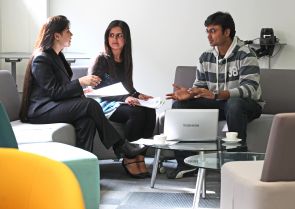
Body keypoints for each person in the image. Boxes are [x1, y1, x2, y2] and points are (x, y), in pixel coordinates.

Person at [19, 15, 148, 179]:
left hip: (53, 105)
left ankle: (83, 172)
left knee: (86, 120)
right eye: (67, 31)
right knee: (89, 105)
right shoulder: (42, 58)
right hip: (40, 110)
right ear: (57, 35)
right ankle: (121, 146)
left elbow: (62, 89)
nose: (71, 34)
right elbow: (54, 92)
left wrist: (82, 90)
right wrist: (80, 83)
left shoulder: (57, 56)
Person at [166, 11, 263, 179]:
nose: (209, 36)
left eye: (213, 31)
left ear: (227, 32)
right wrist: (189, 94)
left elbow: (250, 89)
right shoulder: (206, 57)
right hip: (218, 103)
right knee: (178, 106)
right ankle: (186, 163)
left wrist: (217, 95)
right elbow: (200, 86)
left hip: (246, 104)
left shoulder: (246, 54)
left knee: (234, 104)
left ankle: (237, 163)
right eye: (207, 31)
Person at [88, 20, 156, 178]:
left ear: (126, 39)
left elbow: (126, 86)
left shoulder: (126, 58)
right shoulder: (101, 59)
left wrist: (138, 95)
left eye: (119, 35)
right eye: (111, 35)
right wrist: (126, 98)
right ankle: (129, 158)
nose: (114, 39)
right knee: (136, 113)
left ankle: (140, 156)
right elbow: (95, 89)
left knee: (150, 111)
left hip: (120, 100)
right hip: (103, 104)